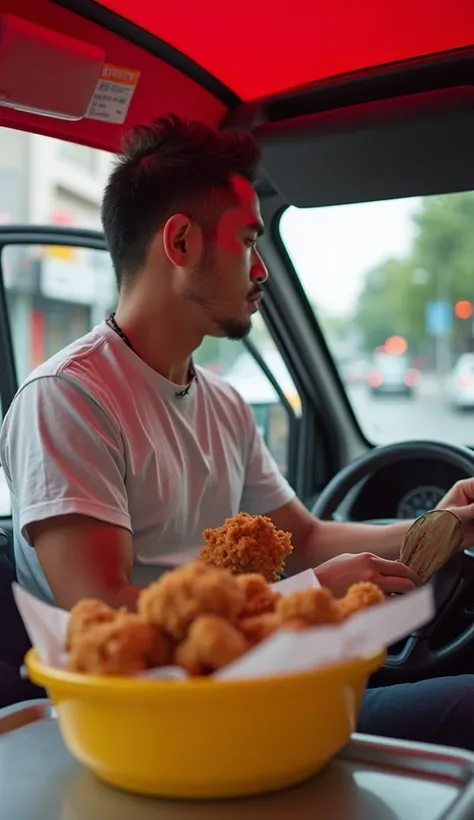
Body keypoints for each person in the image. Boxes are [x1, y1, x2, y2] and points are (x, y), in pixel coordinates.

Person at [1, 114, 474, 746]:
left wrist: (437, 527)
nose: (261, 271)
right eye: (248, 241)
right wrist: (303, 595)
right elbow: (100, 609)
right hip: (155, 726)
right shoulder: (68, 398)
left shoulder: (222, 402)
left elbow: (303, 538)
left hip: (256, 681)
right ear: (181, 244)